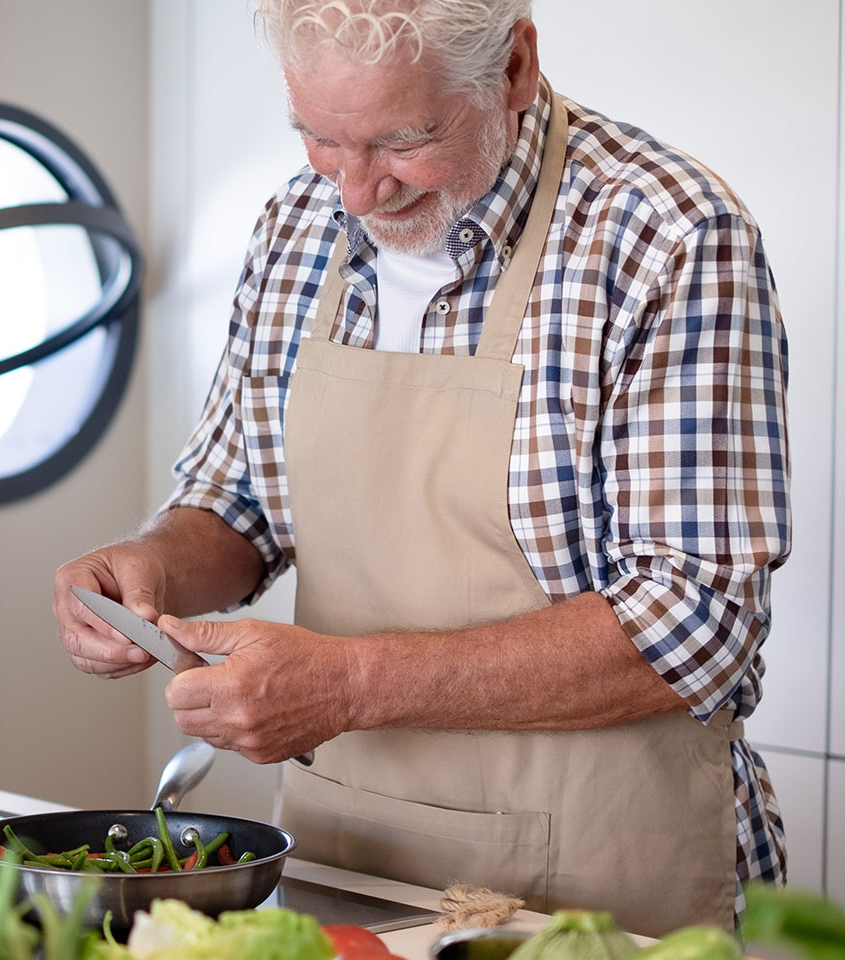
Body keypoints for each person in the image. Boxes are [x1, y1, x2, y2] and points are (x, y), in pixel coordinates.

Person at [51, 0, 789, 939]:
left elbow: (697, 624)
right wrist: (148, 567)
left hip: (601, 885)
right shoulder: (295, 222)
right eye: (320, 137)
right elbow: (238, 501)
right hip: (349, 860)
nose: (357, 192)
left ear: (514, 69)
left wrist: (349, 686)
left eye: (404, 140)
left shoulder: (668, 237)